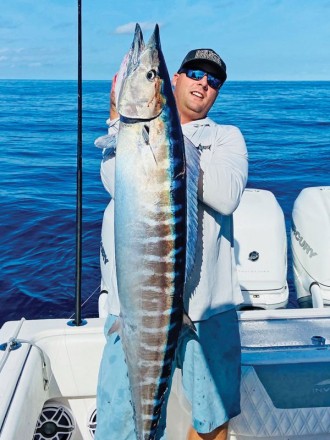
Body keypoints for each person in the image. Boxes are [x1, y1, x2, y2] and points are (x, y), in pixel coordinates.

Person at [95, 48, 248, 440]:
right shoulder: (130, 136)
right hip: (133, 309)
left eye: (213, 81)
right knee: (122, 425)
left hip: (208, 306)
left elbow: (228, 194)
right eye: (196, 73)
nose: (203, 84)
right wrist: (120, 123)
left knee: (212, 420)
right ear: (172, 80)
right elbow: (115, 182)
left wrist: (165, 143)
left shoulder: (225, 138)